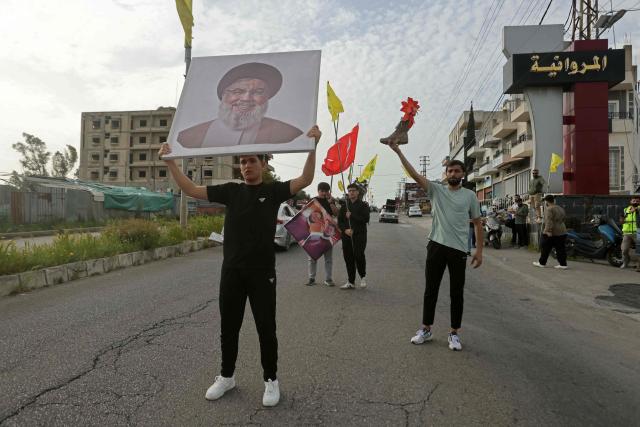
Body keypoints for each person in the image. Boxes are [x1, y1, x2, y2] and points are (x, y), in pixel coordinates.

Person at [159, 125, 322, 407]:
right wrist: (170, 161)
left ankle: (271, 380)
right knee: (229, 327)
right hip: (231, 272)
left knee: (265, 329)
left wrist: (313, 145)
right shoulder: (231, 192)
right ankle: (227, 376)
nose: (246, 166)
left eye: (252, 161)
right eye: (243, 162)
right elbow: (189, 188)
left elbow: (306, 178)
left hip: (262, 274)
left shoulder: (273, 192)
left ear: (263, 164)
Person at [389, 142, 482, 352]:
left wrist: (479, 251)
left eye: (457, 170)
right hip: (436, 246)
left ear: (463, 174)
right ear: (446, 173)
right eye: (450, 170)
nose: (453, 173)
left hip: (458, 250)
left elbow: (477, 223)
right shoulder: (437, 190)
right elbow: (414, 174)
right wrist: (398, 151)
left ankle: (454, 333)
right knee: (430, 290)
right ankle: (426, 329)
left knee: (456, 293)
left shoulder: (470, 196)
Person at [177, 62, 303, 148]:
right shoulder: (188, 137)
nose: (246, 99)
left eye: (258, 92)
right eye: (237, 91)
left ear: (267, 97)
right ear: (223, 96)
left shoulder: (288, 133)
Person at [305, 182, 339, 286]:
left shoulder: (332, 201)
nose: (324, 193)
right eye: (322, 191)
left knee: (328, 258)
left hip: (327, 233)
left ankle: (328, 279)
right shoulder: (313, 201)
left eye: (326, 191)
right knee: (312, 257)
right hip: (314, 232)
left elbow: (336, 213)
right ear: (318, 191)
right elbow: (306, 214)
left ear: (329, 191)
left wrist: (331, 202)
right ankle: (311, 278)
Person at [338, 183, 370, 289]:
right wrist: (345, 230)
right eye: (349, 190)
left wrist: (352, 215)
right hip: (347, 236)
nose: (351, 192)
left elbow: (365, 219)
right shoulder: (344, 206)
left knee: (359, 255)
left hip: (359, 235)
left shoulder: (364, 205)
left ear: (357, 192)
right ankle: (351, 281)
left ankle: (363, 277)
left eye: (353, 190)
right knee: (348, 258)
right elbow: (340, 221)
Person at [533, 194, 568, 269]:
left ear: (546, 201)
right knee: (561, 248)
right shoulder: (560, 208)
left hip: (552, 231)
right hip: (562, 230)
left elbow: (549, 221)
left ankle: (542, 263)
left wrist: (548, 231)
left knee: (545, 247)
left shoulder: (549, 209)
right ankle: (563, 264)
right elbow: (564, 218)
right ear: (553, 200)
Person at [620, 196, 639, 269]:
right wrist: (623, 219)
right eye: (633, 201)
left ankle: (638, 266)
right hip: (627, 233)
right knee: (624, 250)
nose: (635, 202)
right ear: (630, 202)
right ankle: (625, 262)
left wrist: (635, 209)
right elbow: (621, 220)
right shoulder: (625, 210)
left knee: (638, 251)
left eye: (637, 201)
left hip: (637, 232)